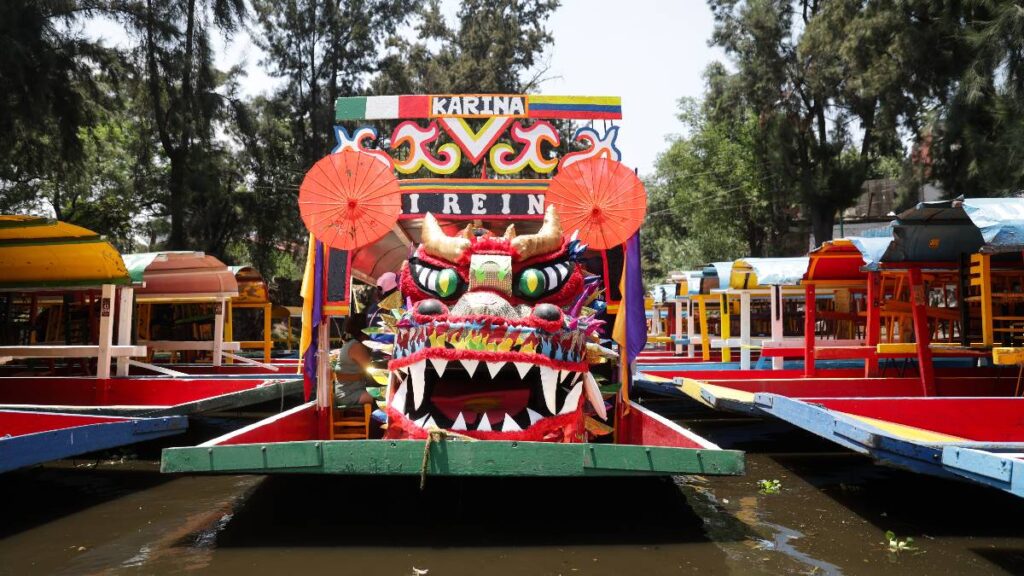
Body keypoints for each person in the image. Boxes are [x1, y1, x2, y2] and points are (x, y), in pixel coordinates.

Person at [332, 314, 374, 407]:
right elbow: (371, 369)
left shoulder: (349, 344)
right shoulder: (356, 346)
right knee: (383, 397)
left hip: (349, 391)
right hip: (349, 394)